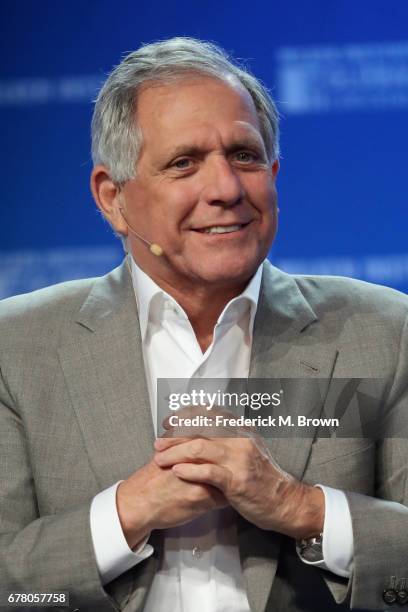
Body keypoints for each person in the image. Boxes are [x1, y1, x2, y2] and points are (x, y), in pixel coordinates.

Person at [0, 37, 407, 612]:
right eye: (183, 163)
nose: (226, 189)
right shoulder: (15, 349)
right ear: (112, 198)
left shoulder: (385, 332)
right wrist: (124, 515)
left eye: (244, 156)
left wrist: (301, 507)